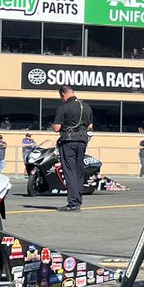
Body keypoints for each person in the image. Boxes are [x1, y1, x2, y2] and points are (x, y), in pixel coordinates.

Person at [52, 83, 92, 211]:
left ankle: (73, 203)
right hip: (82, 141)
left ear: (63, 94)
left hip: (68, 141)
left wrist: (54, 126)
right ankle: (78, 201)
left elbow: (57, 128)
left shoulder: (63, 107)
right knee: (79, 171)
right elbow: (90, 126)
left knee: (70, 171)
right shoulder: (85, 106)